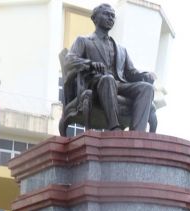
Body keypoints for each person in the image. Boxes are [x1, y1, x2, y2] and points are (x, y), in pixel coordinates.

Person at [65, 3, 156, 132]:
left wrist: (144, 74)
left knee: (147, 88)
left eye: (113, 16)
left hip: (119, 84)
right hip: (96, 84)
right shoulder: (83, 40)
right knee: (108, 79)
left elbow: (131, 72)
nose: (111, 18)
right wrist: (90, 64)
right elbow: (69, 60)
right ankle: (114, 127)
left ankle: (137, 133)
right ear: (94, 18)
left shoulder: (121, 49)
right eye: (107, 14)